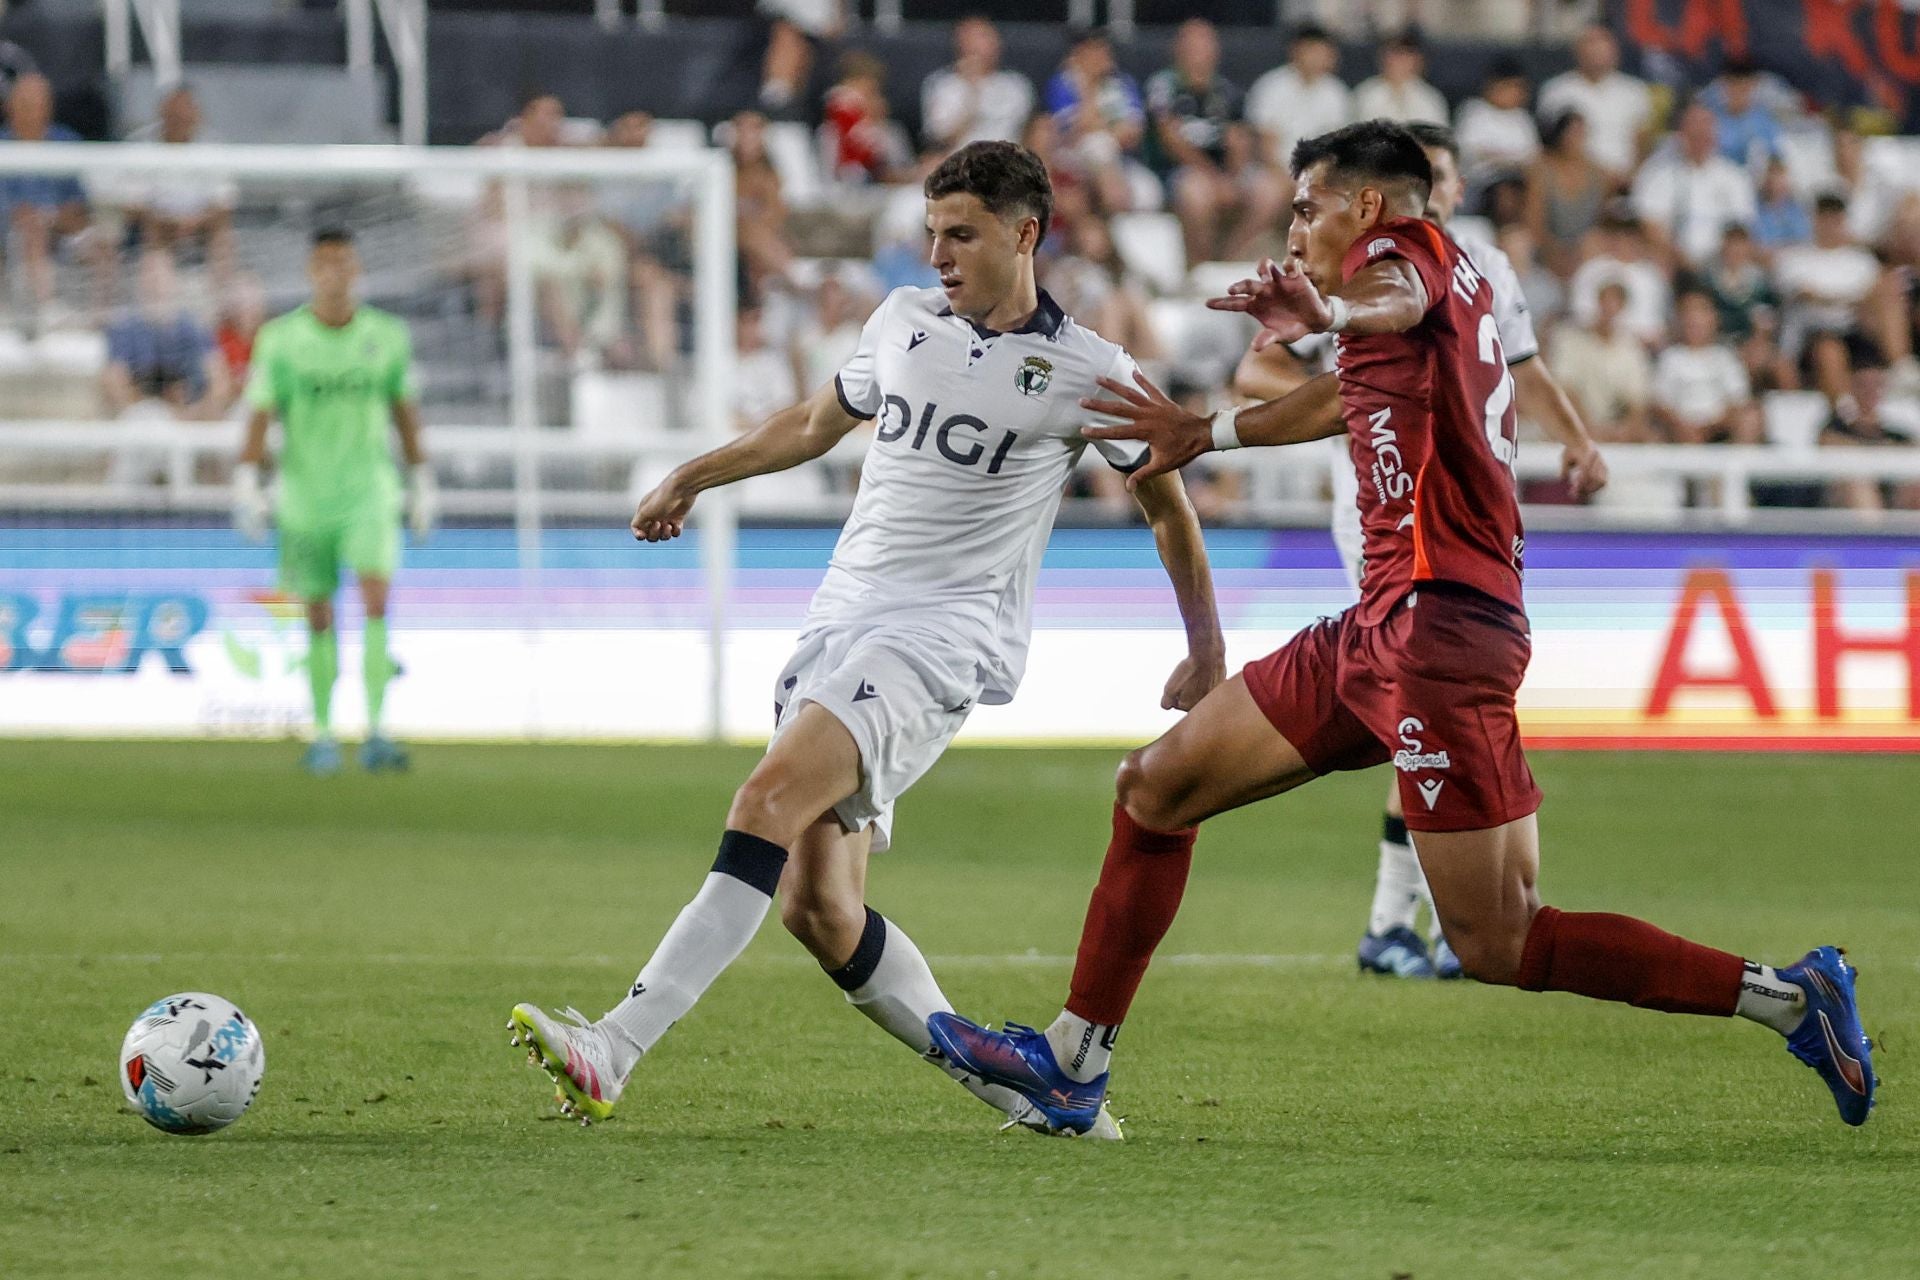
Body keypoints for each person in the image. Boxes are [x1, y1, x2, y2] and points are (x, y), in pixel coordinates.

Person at [926, 120, 1875, 1136]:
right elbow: (1343, 395)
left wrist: (1331, 304)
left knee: (1499, 938)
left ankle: (1788, 995)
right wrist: (1209, 431)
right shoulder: (1433, 292)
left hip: (1437, 636)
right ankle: (1074, 1064)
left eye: (1306, 208)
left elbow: (1391, 297)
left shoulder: (1407, 260)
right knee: (1155, 788)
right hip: (1382, 625)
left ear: (1365, 206)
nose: (1293, 230)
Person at [504, 142, 1224, 1138]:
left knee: (763, 798)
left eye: (960, 234)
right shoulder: (901, 323)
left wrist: (1207, 651)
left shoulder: (1090, 371)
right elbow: (811, 422)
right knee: (819, 907)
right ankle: (1037, 1090)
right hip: (840, 619)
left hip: (941, 639)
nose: (937, 254)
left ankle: (615, 1044)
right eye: (931, 232)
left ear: (1026, 234)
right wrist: (693, 475)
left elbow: (1168, 512)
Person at [1234, 119, 1607, 980]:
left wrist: (1577, 438)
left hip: (1446, 534)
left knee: (1431, 725)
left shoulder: (1452, 268)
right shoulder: (1359, 268)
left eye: (1441, 176)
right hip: (1387, 529)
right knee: (1425, 719)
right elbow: (1268, 371)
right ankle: (1409, 922)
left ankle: (1434, 924)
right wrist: (1336, 392)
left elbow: (1517, 365)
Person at [234, 228, 434, 775]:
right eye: (323, 264)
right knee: (317, 613)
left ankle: (374, 730)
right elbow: (260, 412)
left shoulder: (386, 335)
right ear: (310, 272)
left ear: (356, 270)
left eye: (343, 263)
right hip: (304, 495)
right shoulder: (280, 338)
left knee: (375, 599)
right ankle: (323, 732)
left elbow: (404, 410)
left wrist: (421, 479)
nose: (333, 274)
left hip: (369, 489)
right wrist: (248, 480)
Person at [1143, 18, 1286, 266]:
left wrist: (1232, 176)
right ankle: (1199, 264)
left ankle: (1228, 259)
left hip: (1224, 171)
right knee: (1196, 192)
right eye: (1194, 46)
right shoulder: (1163, 86)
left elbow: (1239, 139)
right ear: (1179, 50)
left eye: (1206, 45)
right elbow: (1171, 141)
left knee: (1271, 190)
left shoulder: (1226, 90)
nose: (1201, 53)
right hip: (1179, 171)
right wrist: (1214, 178)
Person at [1630, 102, 1757, 269]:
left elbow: (1742, 228)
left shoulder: (1734, 177)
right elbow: (1650, 226)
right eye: (1694, 131)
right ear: (1681, 134)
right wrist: (1683, 260)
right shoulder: (1656, 173)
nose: (1700, 136)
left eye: (1705, 129)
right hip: (1674, 261)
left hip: (1722, 263)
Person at [1535, 25, 1652, 184]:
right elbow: (1550, 147)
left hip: (1625, 181)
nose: (1597, 51)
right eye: (1591, 44)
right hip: (1574, 182)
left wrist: (1632, 176)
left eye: (1603, 44)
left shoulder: (1635, 91)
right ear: (1577, 50)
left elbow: (1642, 143)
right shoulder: (1556, 91)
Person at [1247, 24, 1351, 174]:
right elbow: (1265, 146)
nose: (1319, 58)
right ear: (1296, 51)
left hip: (1318, 174)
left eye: (1324, 52)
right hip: (1274, 171)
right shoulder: (1271, 86)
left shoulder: (1336, 92)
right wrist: (1290, 178)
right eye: (1313, 51)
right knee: (1266, 191)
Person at [920, 16, 1033, 154]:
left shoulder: (1016, 85)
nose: (980, 46)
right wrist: (972, 93)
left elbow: (1027, 135)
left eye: (986, 37)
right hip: (958, 165)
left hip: (1007, 164)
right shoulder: (941, 85)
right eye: (972, 39)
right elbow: (940, 141)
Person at [1352, 33, 1447, 127]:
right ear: (1382, 58)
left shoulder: (1431, 98)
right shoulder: (1364, 94)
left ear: (1418, 60)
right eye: (1395, 54)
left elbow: (1439, 137)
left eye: (1407, 55)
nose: (1400, 62)